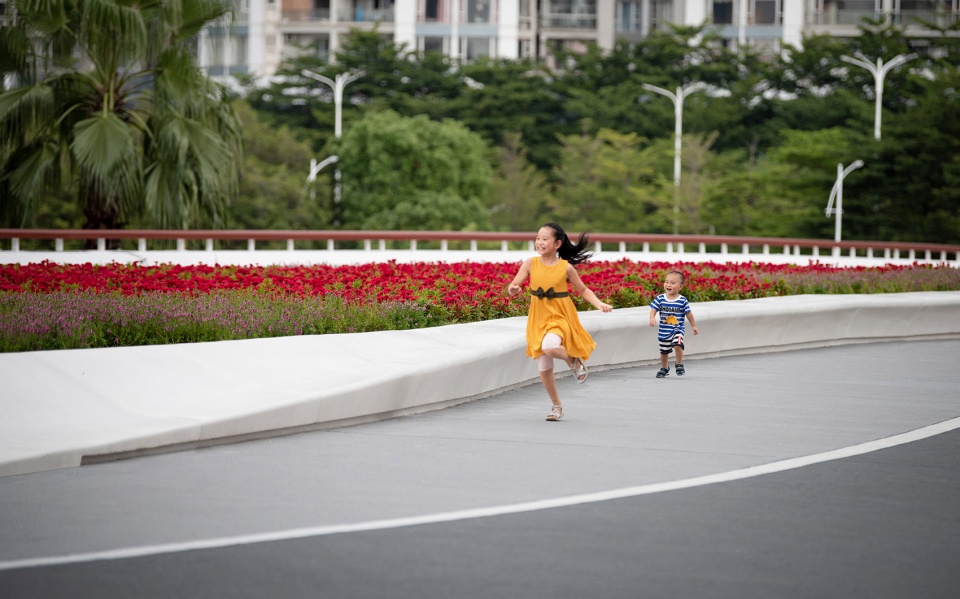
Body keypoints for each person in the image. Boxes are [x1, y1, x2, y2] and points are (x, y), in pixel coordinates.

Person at [507, 223, 613, 421]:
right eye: (538, 238)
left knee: (550, 347)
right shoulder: (530, 263)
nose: (539, 242)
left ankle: (572, 360)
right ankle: (557, 407)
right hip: (538, 317)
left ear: (557, 243)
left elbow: (583, 290)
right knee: (544, 366)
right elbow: (514, 285)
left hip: (560, 314)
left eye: (544, 239)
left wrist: (599, 304)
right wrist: (513, 289)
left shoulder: (566, 267)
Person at [648, 270, 699, 378]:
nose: (668, 285)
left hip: (677, 328)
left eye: (672, 283)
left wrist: (693, 326)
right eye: (666, 282)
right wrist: (652, 318)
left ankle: (679, 363)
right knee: (664, 351)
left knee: (678, 343)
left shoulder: (682, 300)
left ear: (680, 287)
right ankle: (665, 367)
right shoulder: (660, 298)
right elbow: (653, 309)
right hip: (664, 330)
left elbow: (689, 313)